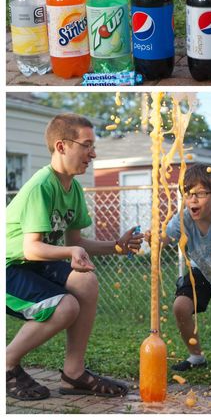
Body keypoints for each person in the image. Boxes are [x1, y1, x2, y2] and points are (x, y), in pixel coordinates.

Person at [6, 113, 144, 400]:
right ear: (61, 146)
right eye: (86, 145)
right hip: (9, 266)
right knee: (65, 307)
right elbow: (32, 248)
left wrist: (116, 246)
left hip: (33, 263)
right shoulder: (42, 185)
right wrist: (71, 252)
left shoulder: (74, 188)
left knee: (86, 282)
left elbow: (76, 241)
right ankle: (6, 365)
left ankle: (73, 373)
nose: (92, 153)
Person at [145, 163, 211, 372]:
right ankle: (196, 357)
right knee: (180, 306)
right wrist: (155, 238)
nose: (192, 199)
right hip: (202, 270)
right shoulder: (183, 219)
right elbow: (165, 239)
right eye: (188, 193)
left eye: (200, 194)